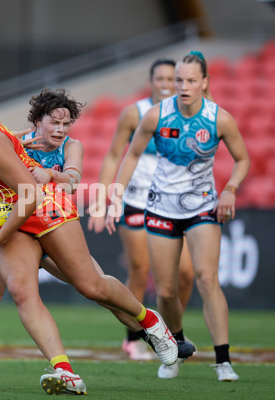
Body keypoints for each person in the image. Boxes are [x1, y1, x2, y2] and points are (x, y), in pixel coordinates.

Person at [0, 77, 180, 395]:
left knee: (91, 286)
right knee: (20, 292)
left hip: (42, 204)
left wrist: (1, 236)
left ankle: (149, 320)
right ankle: (65, 371)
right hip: (11, 208)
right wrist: (4, 134)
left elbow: (31, 193)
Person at [106, 51, 250, 381]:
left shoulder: (219, 119)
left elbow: (243, 159)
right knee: (166, 292)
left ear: (204, 83)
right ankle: (177, 348)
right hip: (160, 208)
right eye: (178, 81)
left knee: (206, 278)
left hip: (202, 207)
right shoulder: (156, 115)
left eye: (187, 81)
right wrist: (117, 193)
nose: (181, 87)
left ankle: (223, 361)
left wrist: (230, 189)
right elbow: (132, 155)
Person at [87, 59, 195, 361]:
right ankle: (134, 338)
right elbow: (112, 157)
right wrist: (102, 200)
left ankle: (171, 331)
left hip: (173, 203)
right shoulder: (135, 113)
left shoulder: (188, 113)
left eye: (169, 78)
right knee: (140, 269)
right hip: (136, 200)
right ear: (150, 81)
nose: (164, 83)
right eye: (158, 77)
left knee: (186, 273)